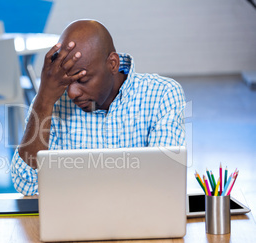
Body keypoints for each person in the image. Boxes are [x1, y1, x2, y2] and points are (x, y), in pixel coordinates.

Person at [10, 19, 186, 195]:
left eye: (83, 80)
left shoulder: (162, 94)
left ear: (113, 64)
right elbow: (27, 184)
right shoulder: (51, 101)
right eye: (67, 81)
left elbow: (162, 182)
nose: (72, 93)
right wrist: (43, 101)